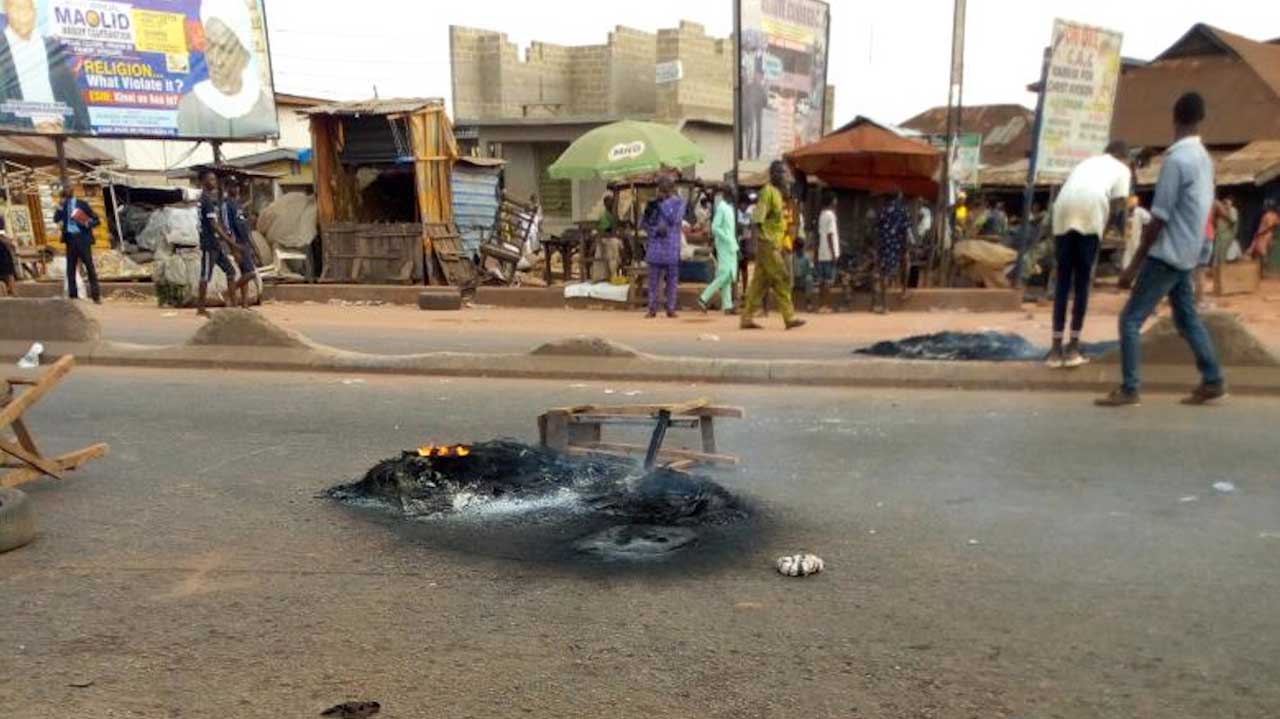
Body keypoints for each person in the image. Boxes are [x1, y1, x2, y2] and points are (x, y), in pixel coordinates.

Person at [1098, 92, 1225, 408]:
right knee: (1186, 318)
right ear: (1200, 119)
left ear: (1175, 117)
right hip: (1189, 253)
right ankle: (1213, 380)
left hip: (1167, 254)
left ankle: (1130, 388)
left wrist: (1132, 267)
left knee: (1130, 319)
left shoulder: (1177, 161)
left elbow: (1159, 220)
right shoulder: (1204, 160)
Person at [1046, 140, 1131, 368]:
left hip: (1062, 210)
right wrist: (1106, 229)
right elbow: (1119, 204)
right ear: (1123, 156)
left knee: (1063, 281)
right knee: (1082, 282)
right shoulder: (1122, 169)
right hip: (1091, 210)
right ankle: (1073, 347)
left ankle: (1055, 350)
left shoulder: (1087, 163)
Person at [176, 0, 276, 137]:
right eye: (210, 46)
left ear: (245, 55)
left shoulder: (264, 106)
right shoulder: (190, 105)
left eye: (225, 50)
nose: (216, 60)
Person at [0, 0, 89, 133]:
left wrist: (63, 127)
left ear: (35, 13)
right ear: (7, 11)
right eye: (16, 8)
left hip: (63, 137)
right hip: (16, 139)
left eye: (27, 9)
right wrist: (32, 128)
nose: (23, 15)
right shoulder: (2, 48)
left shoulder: (51, 47)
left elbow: (75, 101)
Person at [740, 161, 804, 330]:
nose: (786, 178)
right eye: (783, 174)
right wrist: (756, 245)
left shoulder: (778, 193)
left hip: (773, 244)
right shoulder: (767, 192)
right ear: (775, 175)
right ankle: (789, 317)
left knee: (760, 283)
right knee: (782, 277)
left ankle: (746, 318)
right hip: (767, 244)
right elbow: (758, 219)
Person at [195, 170, 240, 317]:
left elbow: (217, 223)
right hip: (209, 244)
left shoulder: (211, 199)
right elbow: (213, 224)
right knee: (205, 275)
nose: (214, 182)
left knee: (230, 271)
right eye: (211, 180)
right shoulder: (206, 200)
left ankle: (233, 305)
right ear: (203, 182)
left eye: (214, 180)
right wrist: (229, 241)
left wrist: (225, 237)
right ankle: (200, 308)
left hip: (216, 244)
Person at [643, 175, 684, 318]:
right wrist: (654, 230)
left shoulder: (678, 203)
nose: (660, 192)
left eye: (664, 190)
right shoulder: (652, 204)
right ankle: (652, 308)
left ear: (670, 191)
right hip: (655, 246)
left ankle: (671, 308)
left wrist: (663, 203)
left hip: (671, 247)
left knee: (672, 281)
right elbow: (645, 223)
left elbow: (674, 219)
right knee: (653, 281)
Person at [53, 184, 101, 304]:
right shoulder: (63, 206)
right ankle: (73, 296)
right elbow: (55, 219)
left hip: (83, 238)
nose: (64, 199)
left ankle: (96, 295)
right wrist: (59, 207)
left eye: (64, 196)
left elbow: (96, 220)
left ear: (71, 195)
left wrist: (87, 224)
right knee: (71, 268)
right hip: (70, 239)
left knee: (89, 266)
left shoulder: (82, 204)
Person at [697, 187, 739, 315]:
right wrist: (726, 238)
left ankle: (727, 305)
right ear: (727, 194)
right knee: (724, 274)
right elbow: (715, 227)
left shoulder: (729, 208)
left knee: (729, 275)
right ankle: (703, 298)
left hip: (731, 245)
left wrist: (732, 241)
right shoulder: (721, 208)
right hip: (724, 245)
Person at [873, 192, 911, 314]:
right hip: (898, 245)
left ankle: (884, 306)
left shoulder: (882, 212)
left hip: (884, 245)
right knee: (905, 264)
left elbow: (877, 230)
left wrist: (877, 247)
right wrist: (905, 247)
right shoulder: (902, 211)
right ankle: (904, 290)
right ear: (898, 197)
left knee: (884, 273)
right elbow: (905, 231)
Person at [222, 182, 257, 308]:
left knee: (245, 273)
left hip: (245, 242)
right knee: (251, 273)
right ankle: (228, 293)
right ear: (227, 188)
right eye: (232, 186)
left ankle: (245, 304)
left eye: (237, 186)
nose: (235, 188)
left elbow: (244, 225)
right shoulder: (226, 205)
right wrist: (234, 248)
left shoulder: (238, 205)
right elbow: (227, 228)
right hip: (238, 243)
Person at [816, 192, 840, 308]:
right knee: (829, 281)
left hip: (822, 252)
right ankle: (827, 305)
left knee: (822, 281)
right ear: (832, 201)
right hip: (829, 253)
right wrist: (833, 253)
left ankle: (821, 304)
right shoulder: (831, 215)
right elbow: (830, 235)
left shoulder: (822, 214)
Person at [1247, 197, 1279, 274]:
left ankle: (1265, 271)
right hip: (1268, 235)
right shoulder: (1276, 216)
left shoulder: (1268, 215)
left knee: (1262, 253)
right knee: (1262, 253)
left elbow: (1269, 226)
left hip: (1264, 235)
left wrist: (1261, 232)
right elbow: (1275, 225)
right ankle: (1262, 271)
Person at [1123, 197, 1152, 271]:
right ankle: (1126, 271)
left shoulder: (1139, 211)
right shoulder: (1124, 211)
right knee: (1127, 254)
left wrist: (1146, 232)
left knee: (1136, 253)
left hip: (1136, 237)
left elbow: (1149, 220)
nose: (1131, 206)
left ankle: (1137, 271)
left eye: (1133, 204)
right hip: (1126, 238)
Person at [791, 237, 816, 311]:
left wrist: (807, 274)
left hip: (803, 278)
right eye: (798, 248)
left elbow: (810, 269)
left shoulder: (807, 257)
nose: (799, 250)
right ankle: (790, 304)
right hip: (794, 279)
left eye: (800, 248)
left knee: (809, 279)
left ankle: (808, 303)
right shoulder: (791, 257)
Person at [1213, 195, 1239, 265]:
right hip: (1219, 234)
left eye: (1227, 202)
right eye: (1224, 202)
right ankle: (1215, 271)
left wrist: (1227, 210)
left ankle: (1221, 271)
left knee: (1222, 254)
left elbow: (1233, 220)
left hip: (1226, 235)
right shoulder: (1220, 210)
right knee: (1216, 254)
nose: (1225, 204)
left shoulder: (1232, 210)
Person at [0, 214, 17, 296]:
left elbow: (2, 232)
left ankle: (12, 292)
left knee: (8, 272)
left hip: (2, 250)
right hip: (3, 249)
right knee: (9, 272)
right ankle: (12, 292)